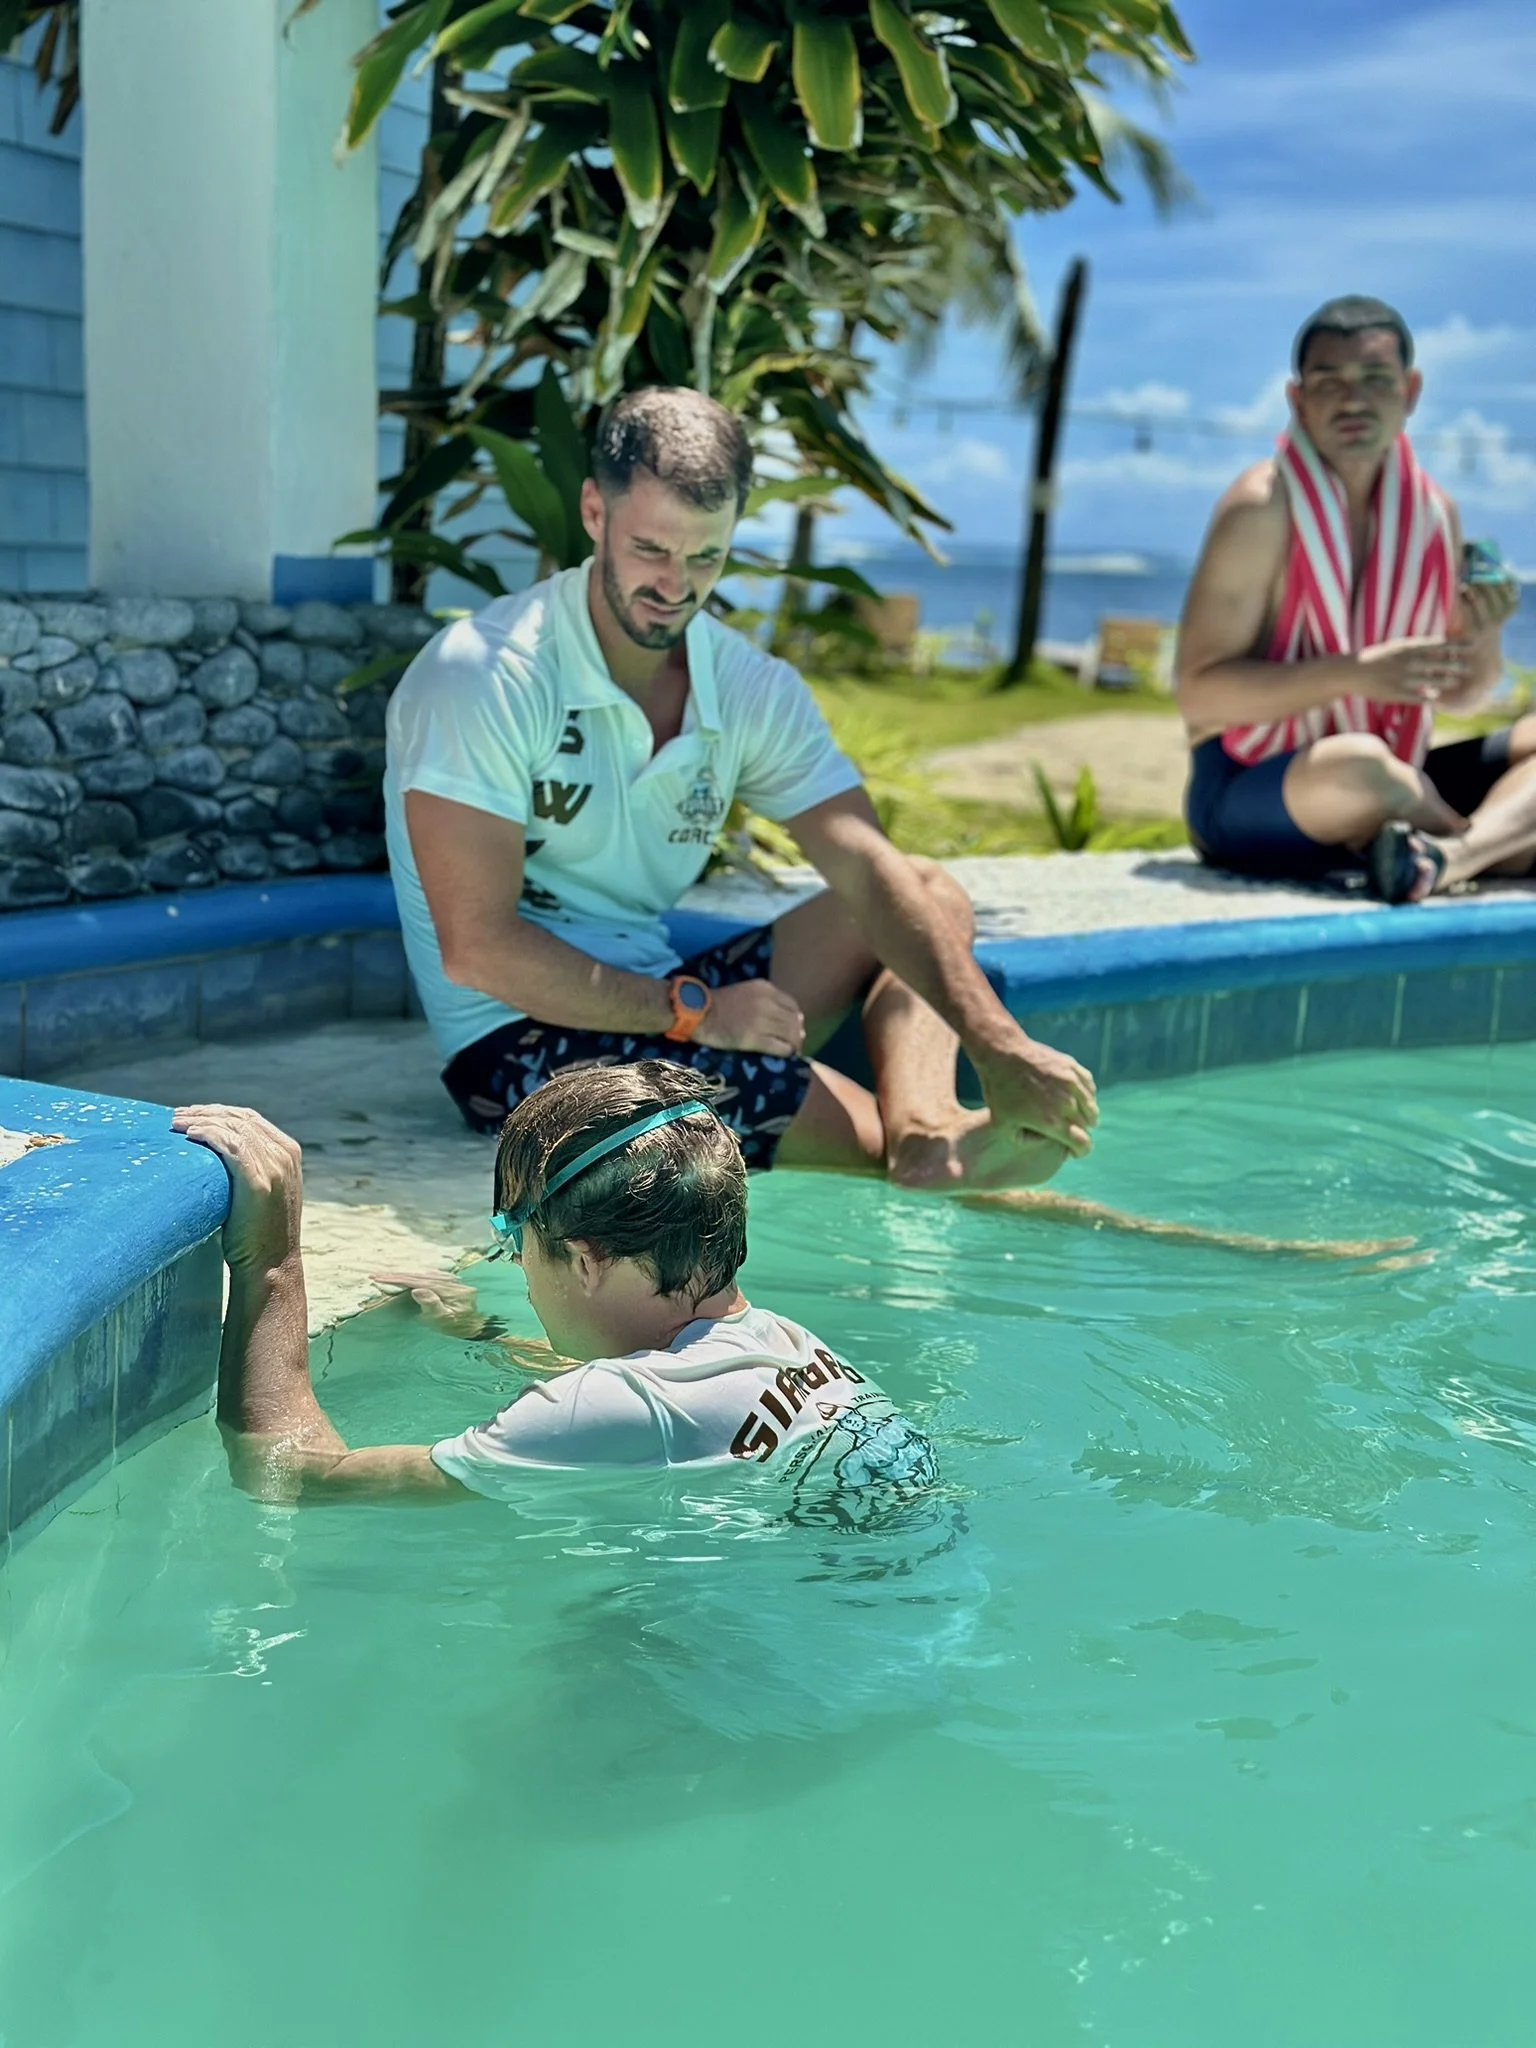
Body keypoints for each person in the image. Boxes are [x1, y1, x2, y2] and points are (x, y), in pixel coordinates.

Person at [384, 385, 1096, 1199]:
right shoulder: (484, 673)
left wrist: (999, 1044)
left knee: (924, 889)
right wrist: (693, 1010)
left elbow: (865, 866)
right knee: (838, 1127)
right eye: (651, 549)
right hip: (513, 1041)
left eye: (705, 558)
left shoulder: (745, 685)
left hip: (664, 990)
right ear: (593, 513)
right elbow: (477, 949)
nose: (675, 586)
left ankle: (926, 1128)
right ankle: (900, 1150)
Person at [172, 1062, 939, 1508]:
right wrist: (484, 1336)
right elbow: (640, 1399)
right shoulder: (787, 1346)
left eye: (512, 1237)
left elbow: (294, 1478)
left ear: (585, 1260)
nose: (513, 1267)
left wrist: (273, 1260)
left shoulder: (604, 1410)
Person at [1177, 295, 1529, 901]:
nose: (1353, 399)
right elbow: (1200, 695)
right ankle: (1485, 842)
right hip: (1255, 785)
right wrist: (1352, 676)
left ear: (1410, 391)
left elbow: (1463, 694)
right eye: (1329, 380)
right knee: (1361, 765)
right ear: (1297, 398)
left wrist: (1483, 634)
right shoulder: (1261, 507)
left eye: (1375, 379)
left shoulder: (1432, 513)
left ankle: (1443, 856)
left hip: (1400, 772)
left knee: (1389, 765)